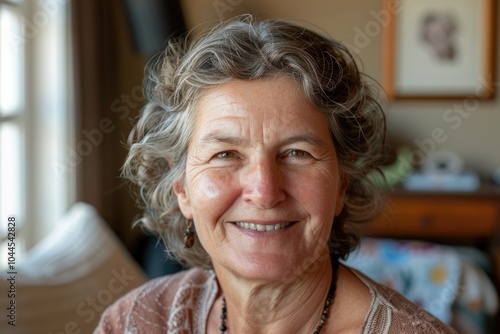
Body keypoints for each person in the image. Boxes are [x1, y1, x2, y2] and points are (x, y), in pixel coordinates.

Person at [95, 16, 457, 333]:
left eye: (297, 153)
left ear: (342, 184)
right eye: (225, 155)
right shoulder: (134, 322)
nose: (264, 191)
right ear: (181, 189)